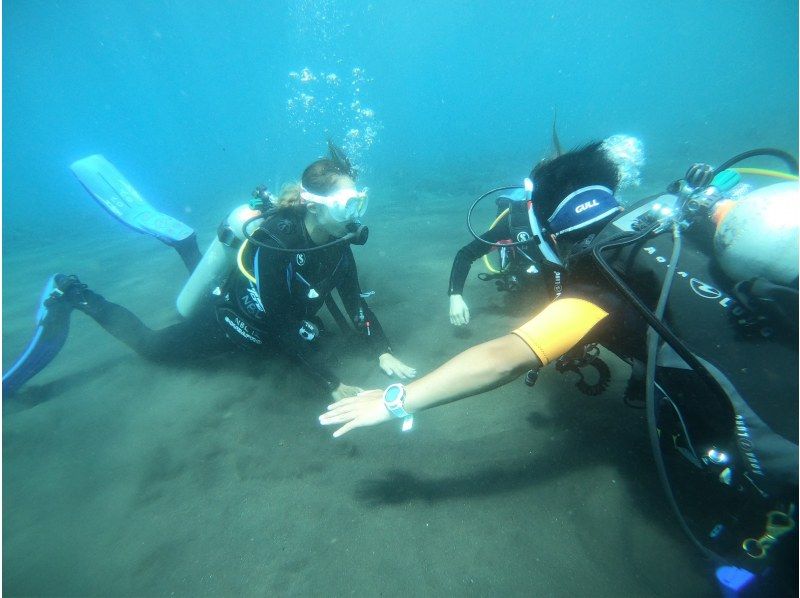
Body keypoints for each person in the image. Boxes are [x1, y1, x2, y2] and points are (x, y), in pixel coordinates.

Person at [320, 142, 799, 594]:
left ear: (546, 229)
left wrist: (395, 399)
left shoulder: (601, 278)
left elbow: (504, 358)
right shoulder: (683, 222)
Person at [3, 142, 416, 400]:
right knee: (152, 348)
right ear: (314, 203)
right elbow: (276, 320)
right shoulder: (275, 242)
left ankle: (187, 246)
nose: (354, 216)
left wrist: (381, 348)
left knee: (312, 336)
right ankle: (73, 293)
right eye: (348, 205)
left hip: (273, 319)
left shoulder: (337, 244)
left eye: (358, 203)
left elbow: (353, 301)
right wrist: (329, 382)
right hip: (232, 321)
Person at [447, 134, 644, 326]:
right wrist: (455, 296)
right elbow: (466, 254)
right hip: (527, 273)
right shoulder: (518, 223)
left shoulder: (597, 215)